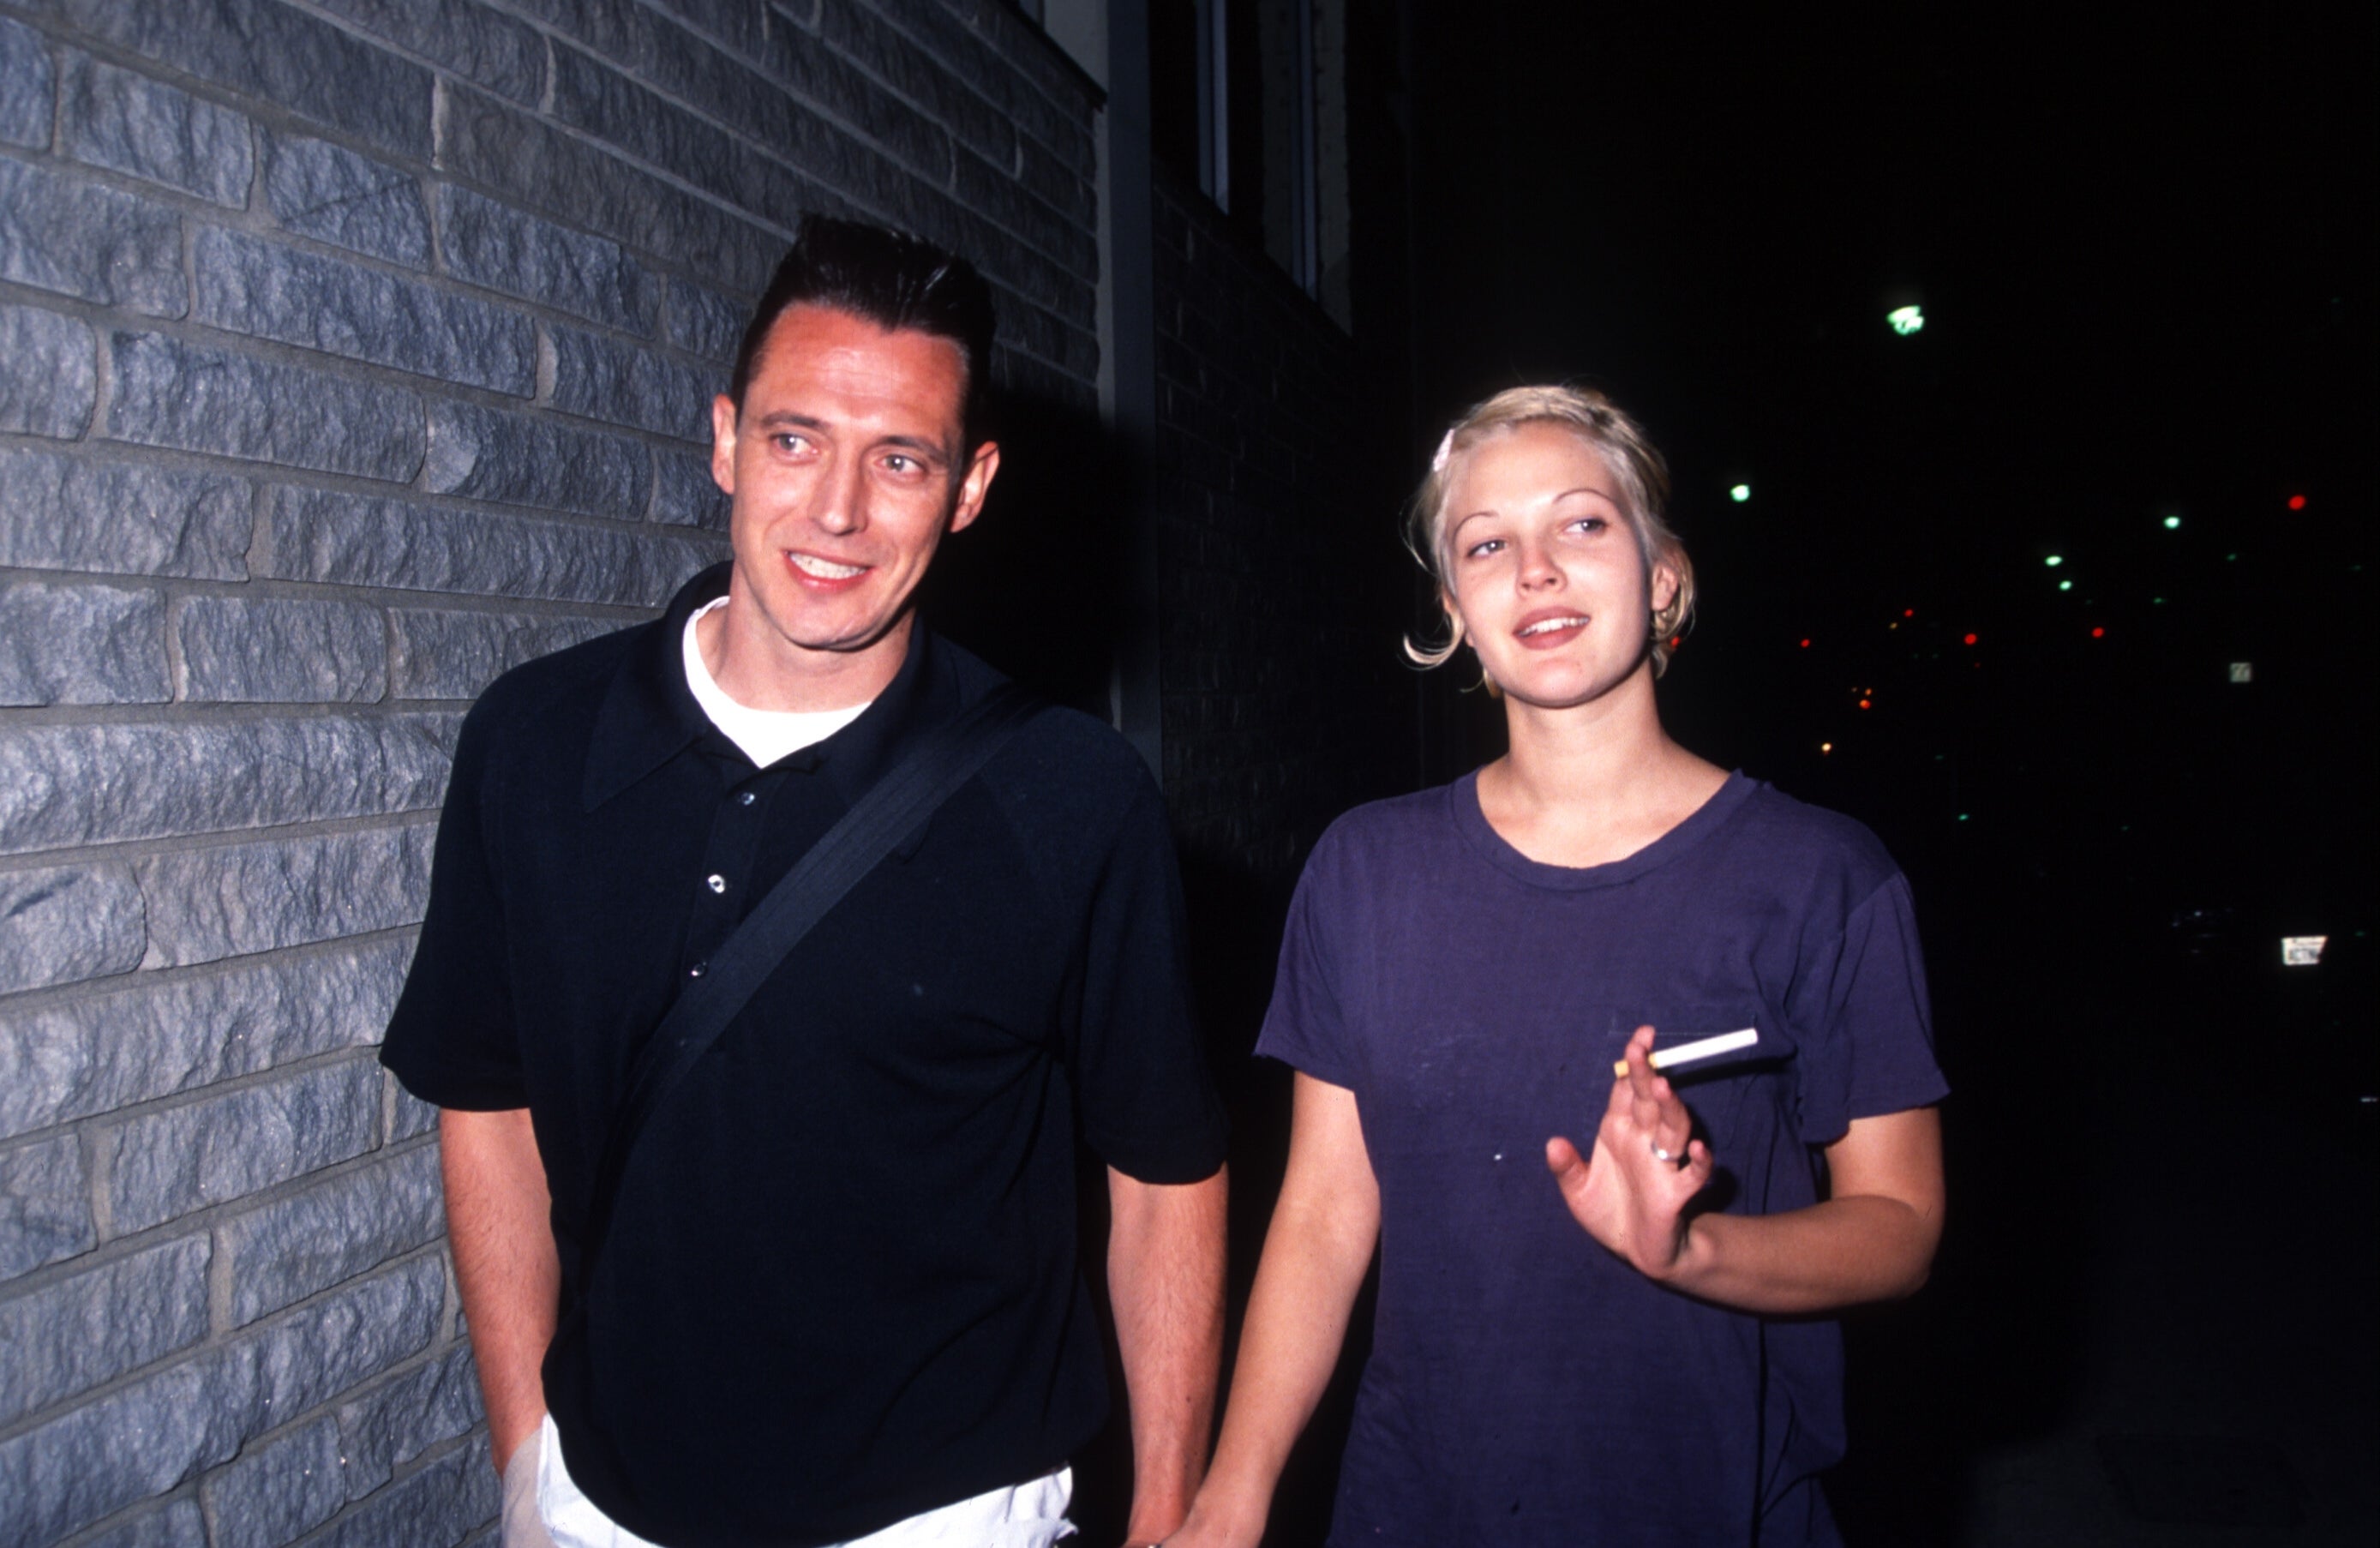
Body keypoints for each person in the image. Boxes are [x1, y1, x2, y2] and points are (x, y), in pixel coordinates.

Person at [381, 216, 1229, 1548]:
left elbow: (1163, 1173)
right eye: (794, 440)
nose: (837, 510)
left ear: (971, 485)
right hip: (607, 1505)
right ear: (724, 439)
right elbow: (486, 1101)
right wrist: (524, 1460)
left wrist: (1172, 1510)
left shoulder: (1070, 795)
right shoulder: (536, 742)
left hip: (947, 1512)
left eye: (901, 459)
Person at [1166, 386, 1947, 1547]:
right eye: (1487, 543)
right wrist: (1229, 1502)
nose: (1534, 568)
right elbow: (1326, 1211)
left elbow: (1899, 1224)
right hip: (1412, 1508)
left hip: (1716, 1509)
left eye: (1580, 523)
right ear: (1452, 612)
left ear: (1663, 574)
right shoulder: (1363, 870)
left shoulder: (1821, 875)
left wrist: (1690, 1246)